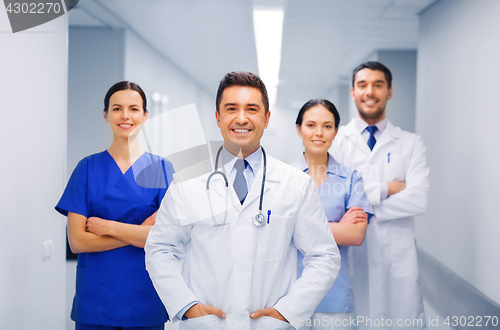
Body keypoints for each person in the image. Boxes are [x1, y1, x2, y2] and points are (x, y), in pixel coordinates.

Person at [145, 71, 340, 330]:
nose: (241, 118)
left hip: (269, 325)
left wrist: (288, 312)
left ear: (266, 118)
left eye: (252, 109)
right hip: (207, 324)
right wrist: (187, 306)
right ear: (217, 117)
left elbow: (324, 257)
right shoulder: (187, 181)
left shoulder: (297, 185)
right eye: (231, 108)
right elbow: (160, 249)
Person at [55, 81, 175, 330]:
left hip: (144, 297)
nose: (125, 115)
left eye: (133, 108)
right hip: (95, 301)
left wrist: (106, 226)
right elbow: (77, 242)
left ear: (145, 115)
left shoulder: (161, 169)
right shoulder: (86, 169)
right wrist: (137, 232)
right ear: (106, 115)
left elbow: (165, 238)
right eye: (117, 108)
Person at [330, 62, 430, 329]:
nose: (369, 91)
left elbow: (418, 199)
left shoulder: (410, 143)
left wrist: (361, 207)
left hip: (397, 256)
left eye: (378, 85)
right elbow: (335, 201)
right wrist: (386, 188)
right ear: (353, 92)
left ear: (390, 92)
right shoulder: (336, 142)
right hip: (353, 258)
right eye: (362, 85)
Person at [292, 99, 373, 330]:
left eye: (327, 126)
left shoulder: (351, 178)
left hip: (334, 294)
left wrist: (299, 229)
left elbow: (356, 235)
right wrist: (339, 227)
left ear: (336, 131)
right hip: (289, 294)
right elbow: (279, 231)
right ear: (299, 129)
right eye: (311, 125)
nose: (319, 133)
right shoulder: (285, 177)